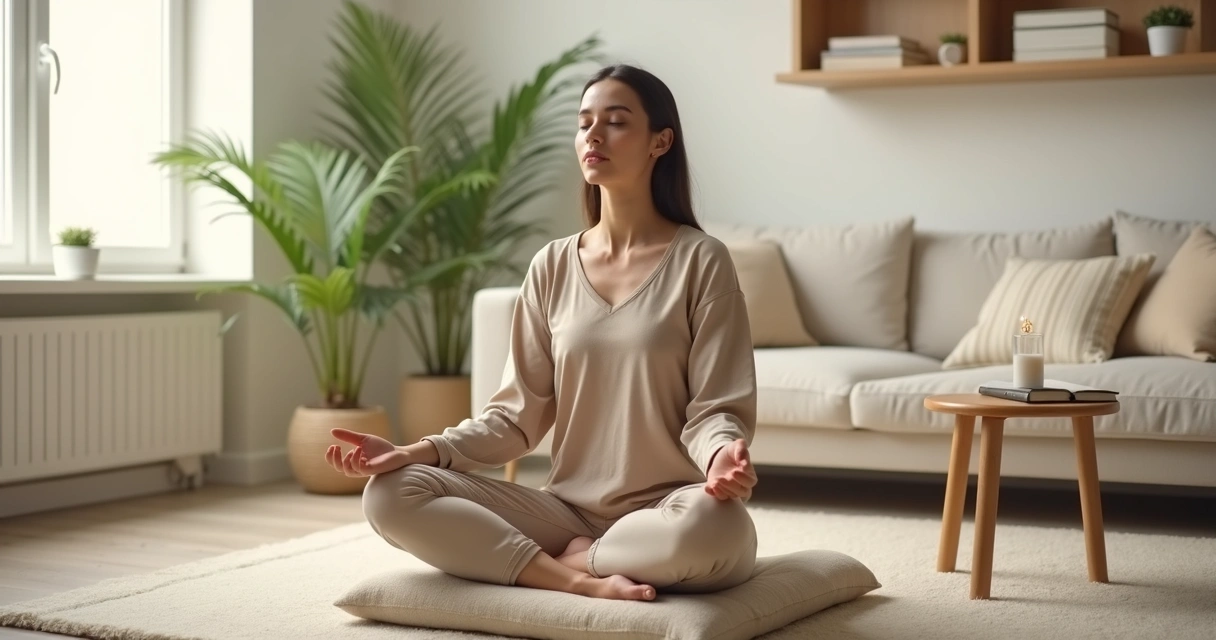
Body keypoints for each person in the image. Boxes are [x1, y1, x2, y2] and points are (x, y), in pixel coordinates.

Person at [324, 64, 759, 602]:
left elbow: (715, 407)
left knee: (718, 530)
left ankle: (579, 557)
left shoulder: (701, 260)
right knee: (388, 495)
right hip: (563, 511)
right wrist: (415, 452)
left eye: (616, 122)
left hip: (670, 509)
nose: (593, 135)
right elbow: (514, 420)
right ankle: (570, 577)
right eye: (584, 123)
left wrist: (721, 457)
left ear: (660, 142)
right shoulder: (551, 265)